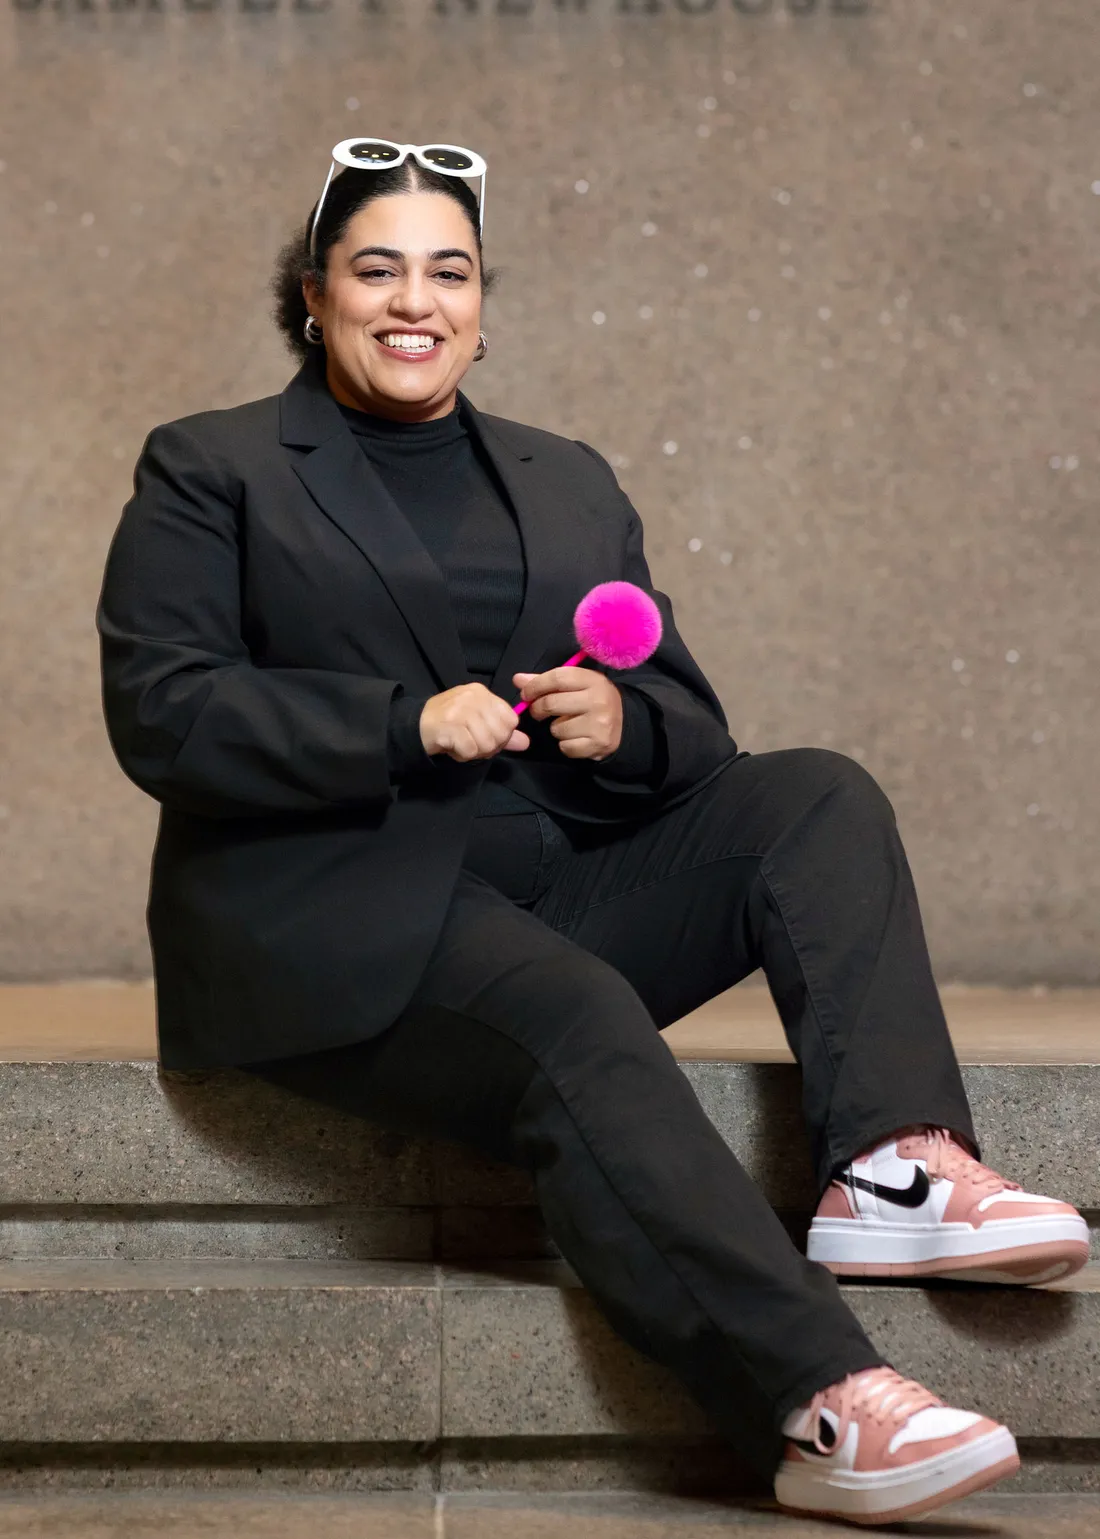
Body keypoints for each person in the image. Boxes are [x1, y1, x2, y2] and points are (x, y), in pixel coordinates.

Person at [96, 138, 1088, 1528]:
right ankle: (814, 1401)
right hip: (334, 920)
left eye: (450, 271)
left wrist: (624, 728)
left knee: (817, 792)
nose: (414, 300)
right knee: (574, 1013)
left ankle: (890, 1163)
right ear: (312, 294)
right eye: (375, 268)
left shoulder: (565, 480)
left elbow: (695, 726)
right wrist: (400, 724)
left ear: (485, 303)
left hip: (556, 884)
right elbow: (166, 709)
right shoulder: (216, 467)